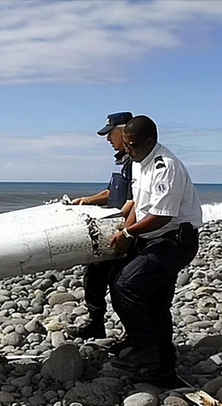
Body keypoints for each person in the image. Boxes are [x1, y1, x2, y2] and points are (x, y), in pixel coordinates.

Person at [109, 116, 202, 384]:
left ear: (151, 141)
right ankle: (162, 366)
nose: (128, 150)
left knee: (127, 286)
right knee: (153, 301)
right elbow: (139, 204)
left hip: (175, 241)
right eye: (126, 145)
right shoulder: (139, 161)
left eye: (134, 145)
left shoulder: (166, 167)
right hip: (154, 238)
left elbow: (161, 215)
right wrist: (127, 234)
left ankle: (145, 350)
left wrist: (127, 233)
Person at [69, 112, 134, 339]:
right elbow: (110, 193)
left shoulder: (136, 162)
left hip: (125, 231)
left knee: (121, 285)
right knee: (93, 276)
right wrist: (85, 201)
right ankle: (96, 323)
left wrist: (122, 229)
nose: (108, 140)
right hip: (112, 226)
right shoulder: (120, 161)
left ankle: (133, 336)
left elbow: (135, 201)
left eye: (110, 134)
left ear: (124, 131)